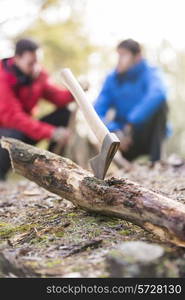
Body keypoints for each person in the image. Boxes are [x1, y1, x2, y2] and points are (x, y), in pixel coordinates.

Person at [0, 38, 74, 180]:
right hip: (7, 131)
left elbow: (57, 96)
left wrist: (75, 91)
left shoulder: (38, 75)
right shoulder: (2, 77)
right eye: (30, 63)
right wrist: (51, 132)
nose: (35, 67)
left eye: (37, 62)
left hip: (24, 130)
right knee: (11, 135)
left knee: (65, 114)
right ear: (17, 58)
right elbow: (14, 118)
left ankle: (55, 171)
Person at [94, 39, 168, 166]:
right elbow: (97, 111)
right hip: (124, 139)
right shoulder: (112, 78)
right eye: (118, 55)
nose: (119, 59)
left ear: (137, 57)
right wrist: (115, 130)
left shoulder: (150, 72)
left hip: (147, 135)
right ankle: (121, 165)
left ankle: (157, 162)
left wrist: (131, 122)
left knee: (161, 106)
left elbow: (158, 94)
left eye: (124, 55)